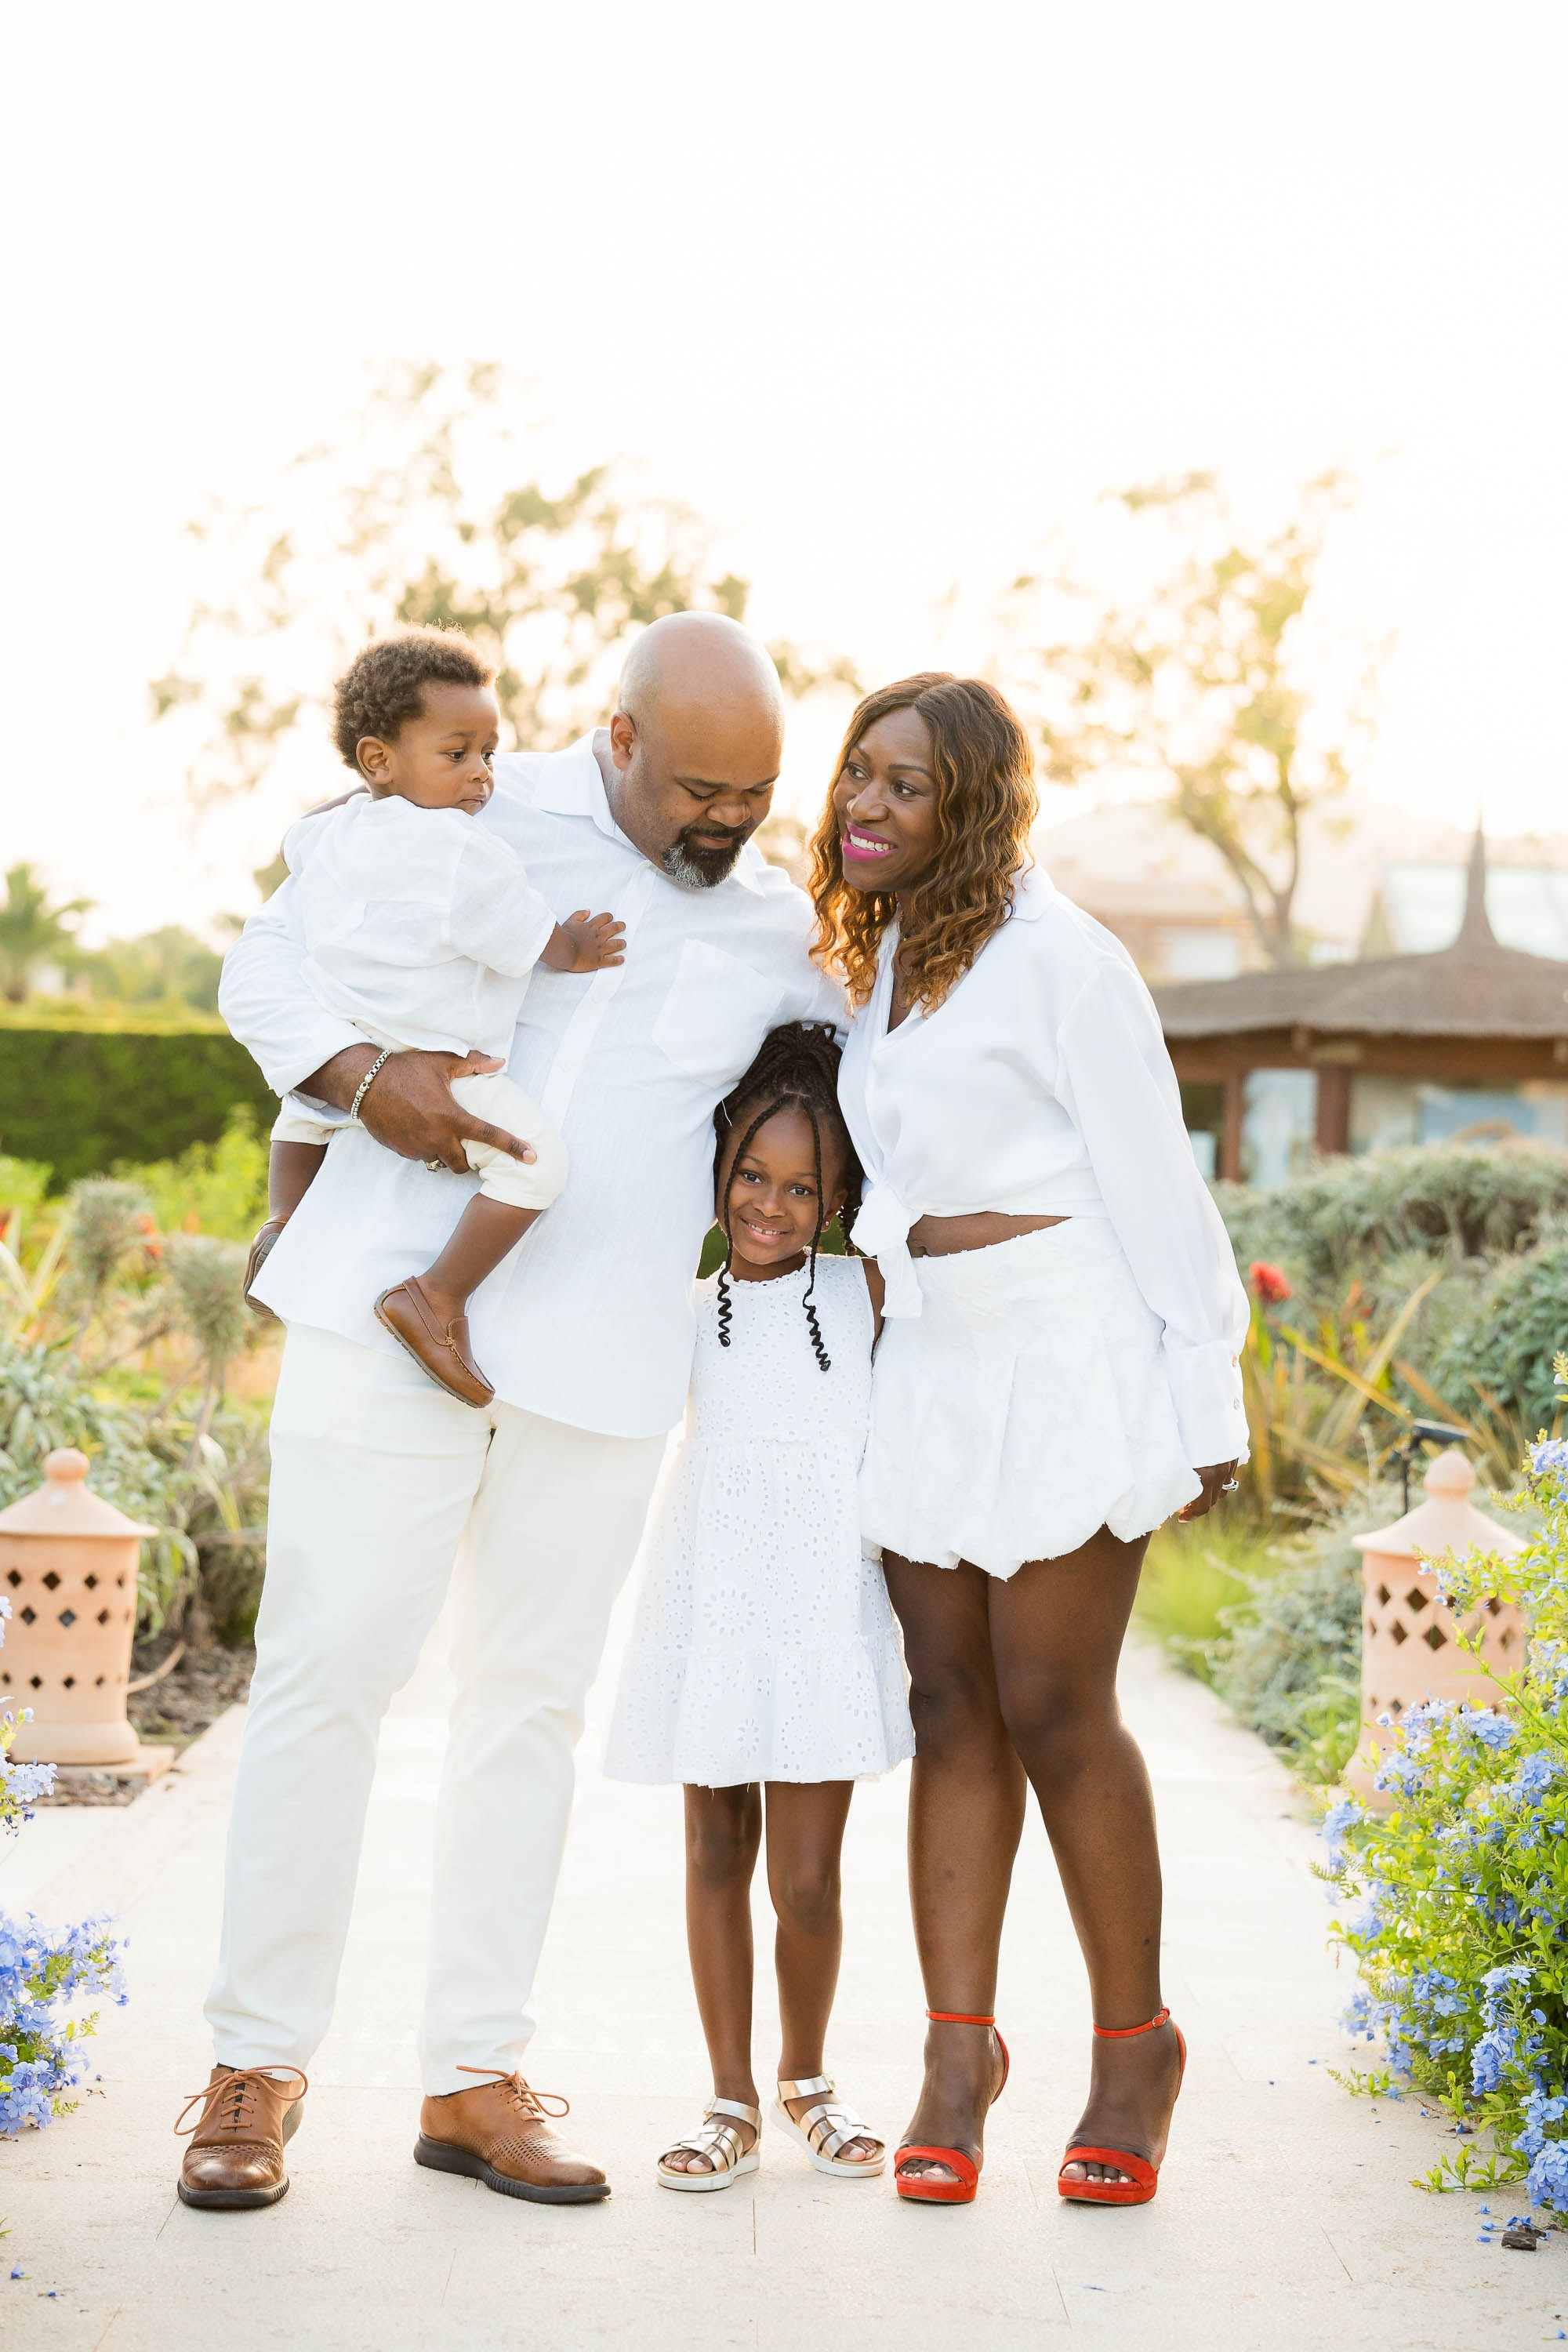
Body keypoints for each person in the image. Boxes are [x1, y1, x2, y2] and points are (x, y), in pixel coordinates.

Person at [181, 613, 843, 2215]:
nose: (726, 819)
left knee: (528, 1709)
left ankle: (474, 2079)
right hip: (386, 1316)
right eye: (697, 786)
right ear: (615, 739)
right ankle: (252, 2069)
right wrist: (357, 1074)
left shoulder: (772, 926)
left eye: (752, 792)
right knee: (327, 1678)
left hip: (603, 1366)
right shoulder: (455, 803)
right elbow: (267, 962)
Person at [812, 673, 1248, 2210]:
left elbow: (1152, 1176)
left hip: (1066, 1346)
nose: (866, 804)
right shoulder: (882, 963)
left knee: (1056, 1700)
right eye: (858, 773)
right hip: (931, 1351)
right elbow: (896, 1166)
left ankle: (1134, 2050)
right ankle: (955, 2053)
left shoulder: (1065, 960)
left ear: (975, 804)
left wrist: (1205, 1399)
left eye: (906, 785)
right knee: (946, 1703)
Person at [604, 1022, 913, 2191]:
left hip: (824, 1604)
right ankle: (729, 2094)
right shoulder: (681, 1303)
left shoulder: (867, 1288)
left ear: (840, 1198)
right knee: (715, 1844)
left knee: (809, 1878)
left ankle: (808, 2080)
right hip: (714, 1596)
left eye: (802, 1187)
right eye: (751, 1174)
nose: (769, 1207)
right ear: (720, 1158)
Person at [245, 626, 626, 1407]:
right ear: (380, 757)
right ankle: (436, 1298)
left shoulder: (331, 829)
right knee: (534, 1164)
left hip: (343, 1047)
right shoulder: (463, 849)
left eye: (489, 752)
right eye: (458, 755)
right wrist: (576, 944)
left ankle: (282, 1227)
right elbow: (522, 937)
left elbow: (298, 849)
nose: (483, 775)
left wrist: (358, 800)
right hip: (432, 1067)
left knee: (302, 1113)